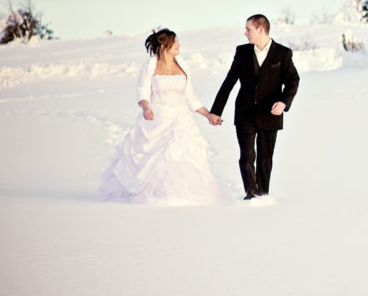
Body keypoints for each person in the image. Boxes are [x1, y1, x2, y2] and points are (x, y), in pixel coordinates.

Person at [98, 29, 232, 205]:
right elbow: (143, 91)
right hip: (157, 118)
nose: (179, 45)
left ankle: (184, 195)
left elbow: (190, 96)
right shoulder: (150, 66)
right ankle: (155, 195)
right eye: (175, 42)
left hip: (181, 118)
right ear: (164, 46)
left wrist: (208, 115)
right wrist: (146, 107)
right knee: (155, 157)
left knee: (183, 155)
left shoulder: (182, 66)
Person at [208, 14, 299, 200]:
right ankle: (251, 193)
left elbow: (293, 81)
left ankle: (263, 194)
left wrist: (283, 102)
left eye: (248, 29)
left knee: (265, 159)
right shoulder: (242, 52)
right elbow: (229, 83)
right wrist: (216, 111)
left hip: (270, 114)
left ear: (260, 29)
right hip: (245, 113)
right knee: (247, 156)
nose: (245, 33)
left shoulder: (283, 53)